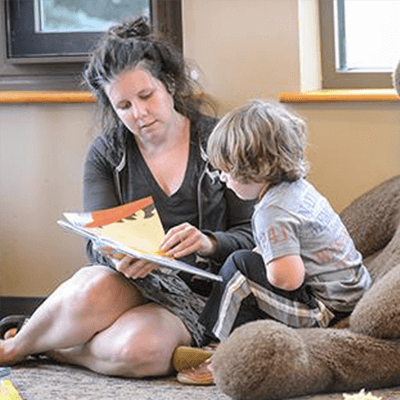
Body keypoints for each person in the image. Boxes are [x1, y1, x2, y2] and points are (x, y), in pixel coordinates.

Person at [0, 17, 255, 378]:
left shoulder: (217, 140)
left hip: (198, 294)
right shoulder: (107, 153)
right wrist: (117, 256)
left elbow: (251, 233)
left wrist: (207, 242)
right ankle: (13, 348)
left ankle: (55, 345)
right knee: (92, 287)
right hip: (128, 281)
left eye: (146, 96)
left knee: (138, 351)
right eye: (123, 106)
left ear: (168, 83)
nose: (139, 114)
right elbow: (96, 241)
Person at [176, 99, 372, 385]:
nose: (223, 179)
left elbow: (288, 279)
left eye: (228, 171)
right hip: (352, 298)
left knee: (239, 268)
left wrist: (261, 268)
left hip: (326, 311)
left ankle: (220, 350)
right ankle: (227, 340)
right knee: (247, 264)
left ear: (257, 166)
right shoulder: (297, 189)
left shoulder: (272, 211)